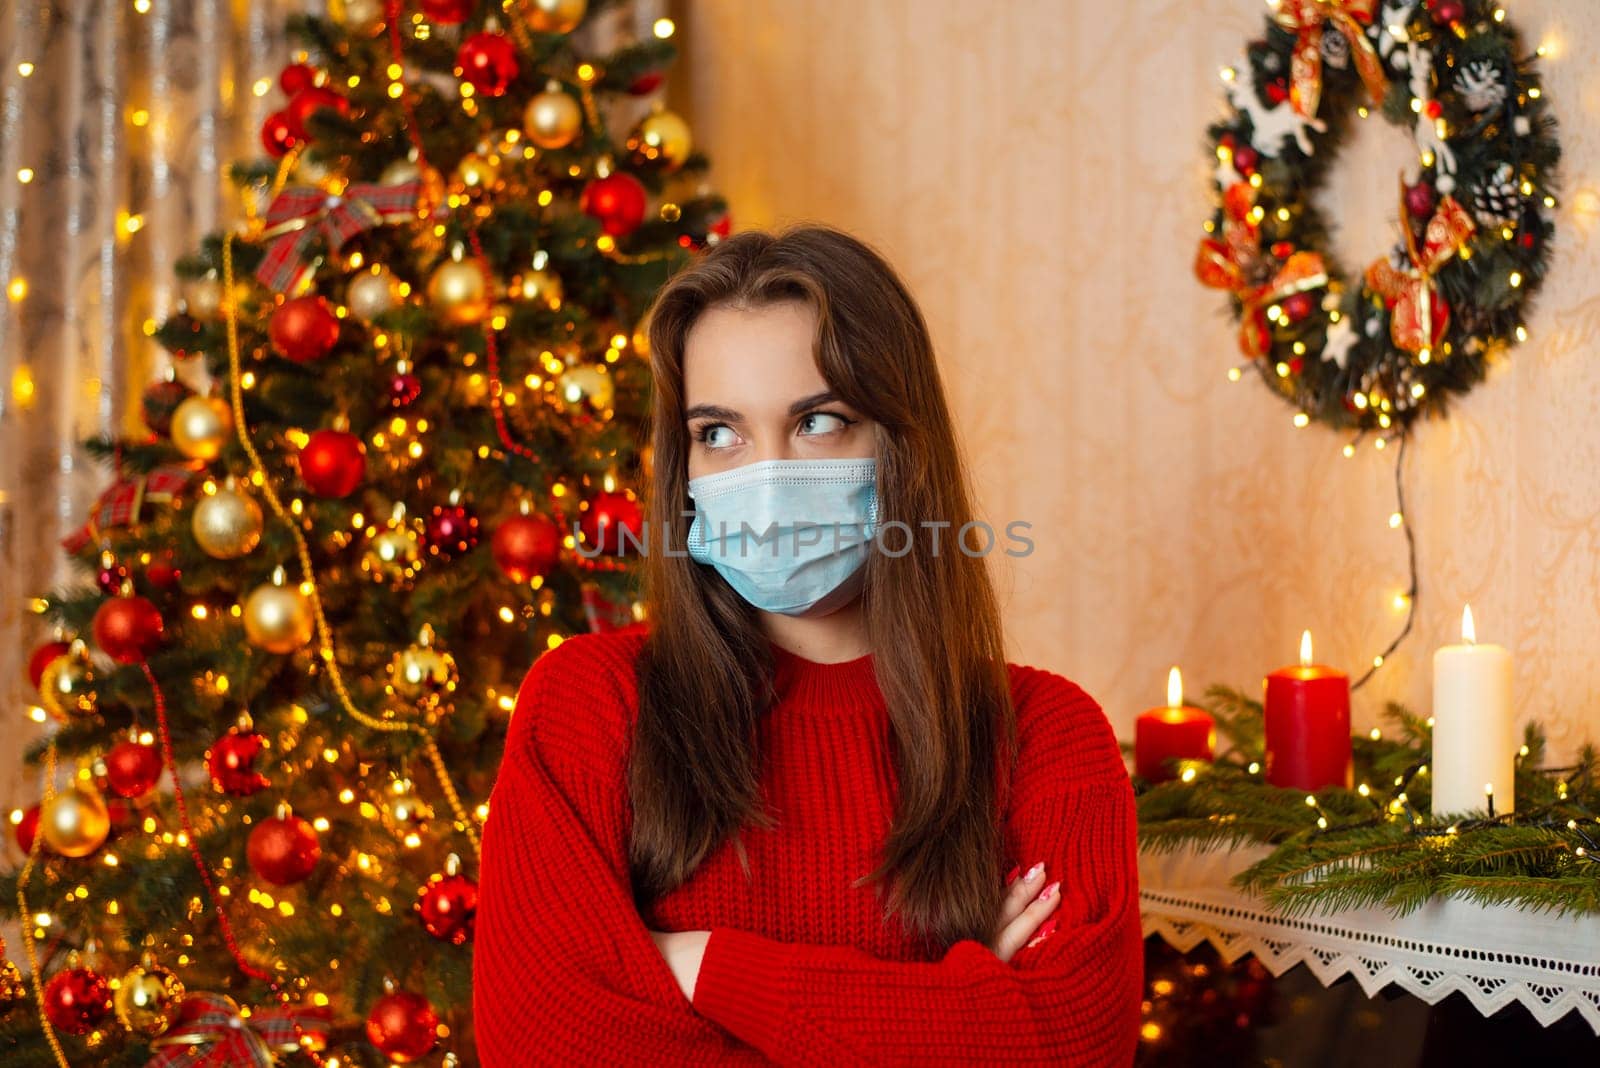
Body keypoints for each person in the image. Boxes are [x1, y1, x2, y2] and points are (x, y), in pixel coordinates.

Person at [472, 223, 1143, 1065]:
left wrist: (702, 963)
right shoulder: (587, 706)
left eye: (818, 421)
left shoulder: (1046, 731)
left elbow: (1073, 1047)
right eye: (719, 433)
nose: (767, 476)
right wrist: (955, 1010)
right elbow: (543, 1044)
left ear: (899, 446)